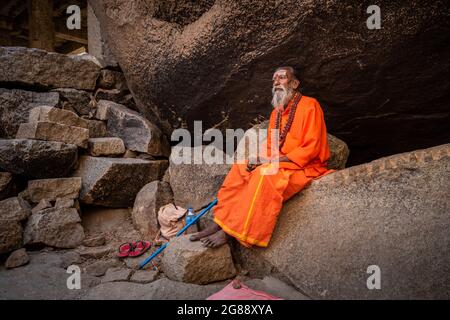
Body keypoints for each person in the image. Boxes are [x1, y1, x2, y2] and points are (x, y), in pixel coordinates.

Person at [190, 66, 334, 248]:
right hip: (280, 163)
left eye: (282, 78)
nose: (276, 82)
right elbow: (271, 147)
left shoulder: (310, 105)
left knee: (264, 175)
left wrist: (271, 162)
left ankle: (229, 233)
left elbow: (311, 148)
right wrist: (257, 160)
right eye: (274, 79)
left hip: (304, 167)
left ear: (295, 83)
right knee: (240, 168)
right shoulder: (277, 113)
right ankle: (219, 222)